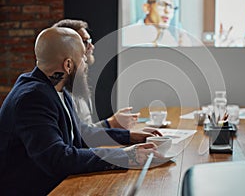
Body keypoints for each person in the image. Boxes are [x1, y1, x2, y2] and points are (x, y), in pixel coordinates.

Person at [0, 27, 163, 195]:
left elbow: (81, 133)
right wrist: (125, 156)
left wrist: (130, 137)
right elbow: (58, 159)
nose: (86, 64)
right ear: (68, 65)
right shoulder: (33, 98)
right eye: (83, 58)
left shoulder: (56, 89)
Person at [52, 19, 139, 129]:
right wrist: (110, 123)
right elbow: (78, 136)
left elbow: (85, 131)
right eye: (84, 42)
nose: (91, 46)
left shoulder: (78, 80)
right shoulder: (62, 85)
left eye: (90, 40)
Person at [123, 0, 192, 47]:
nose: (167, 11)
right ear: (147, 8)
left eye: (171, 6)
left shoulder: (170, 39)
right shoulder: (127, 35)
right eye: (162, 3)